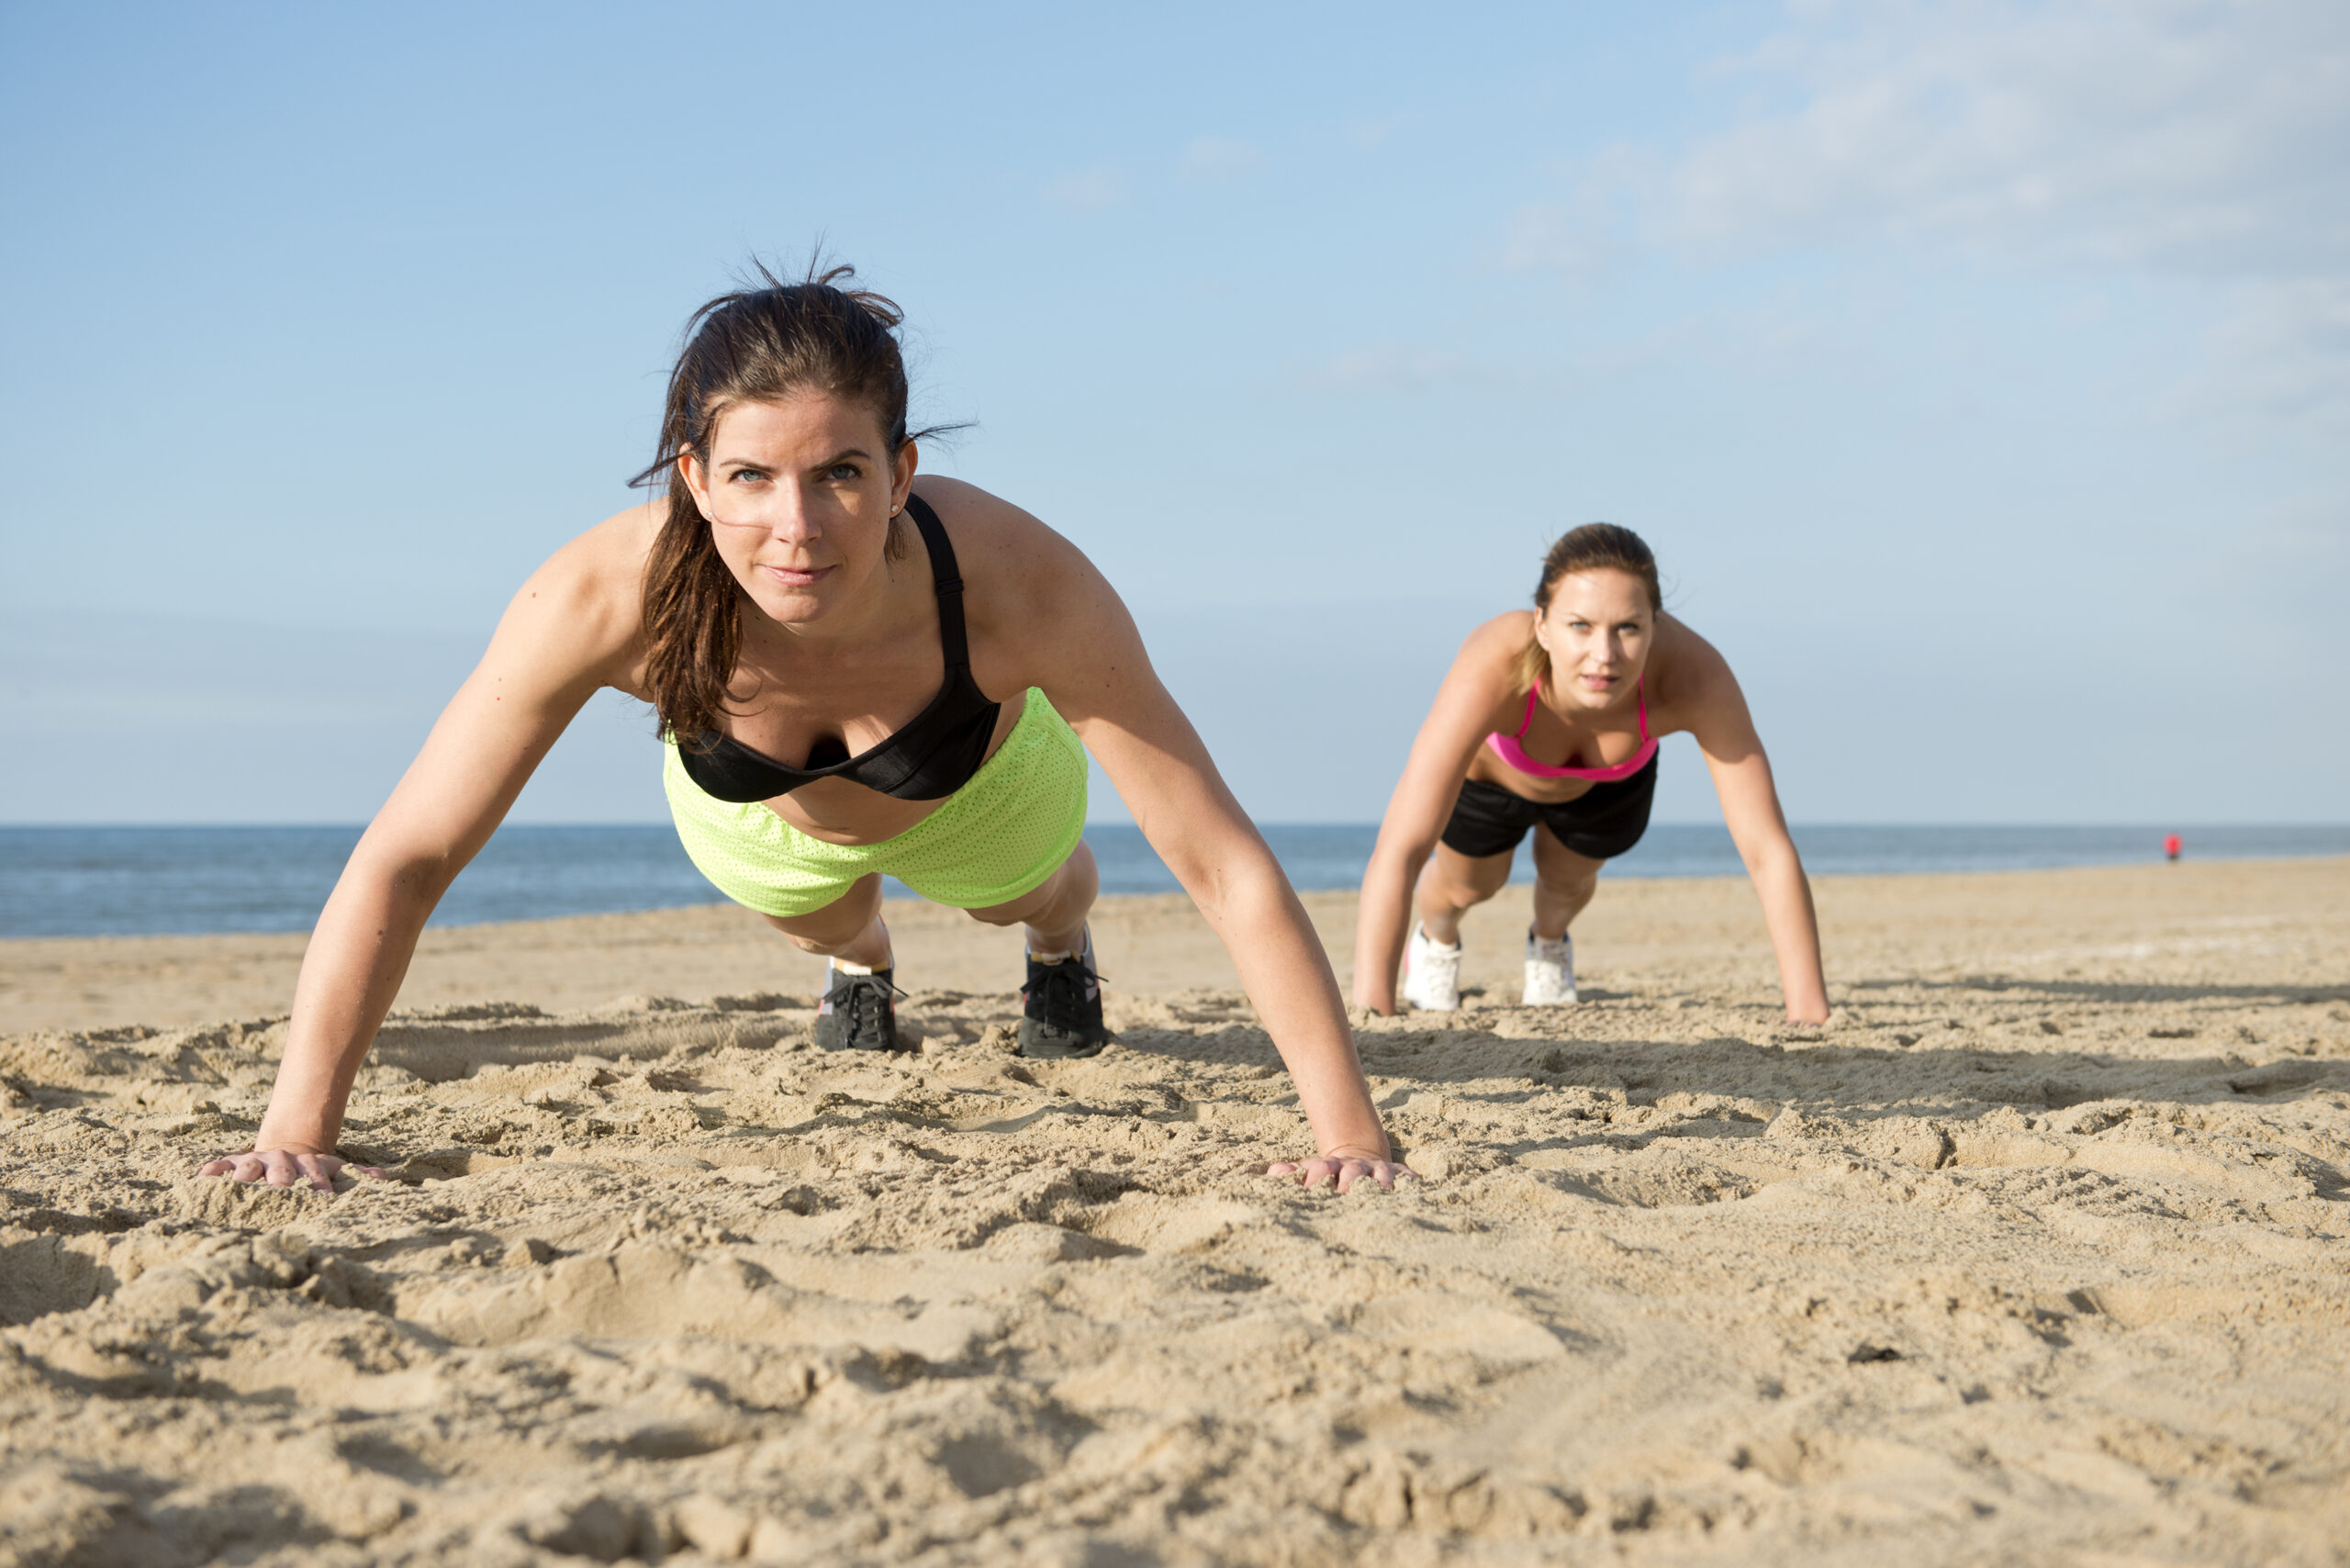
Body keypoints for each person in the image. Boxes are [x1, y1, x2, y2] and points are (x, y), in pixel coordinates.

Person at [200, 265, 1405, 1194]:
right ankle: (862, 961)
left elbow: (1218, 861)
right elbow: (411, 854)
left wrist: (1348, 1134)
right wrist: (297, 1133)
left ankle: (1059, 945)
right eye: (751, 478)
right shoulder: (598, 600)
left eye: (839, 473)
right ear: (692, 477)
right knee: (827, 919)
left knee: (1025, 894)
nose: (798, 526)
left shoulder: (1022, 585)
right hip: (760, 820)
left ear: (900, 471)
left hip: (979, 791)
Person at [1352, 523, 1829, 1023]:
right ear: (1542, 625)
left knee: (1566, 886)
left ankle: (1549, 945)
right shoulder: (1495, 664)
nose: (1604, 655)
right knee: (1467, 887)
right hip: (1494, 784)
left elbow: (1766, 849)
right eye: (1580, 625)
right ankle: (1437, 940)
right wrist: (1373, 1013)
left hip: (1606, 788)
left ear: (1655, 625)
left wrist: (1810, 1013)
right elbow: (1401, 849)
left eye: (1628, 628)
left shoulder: (1694, 677)